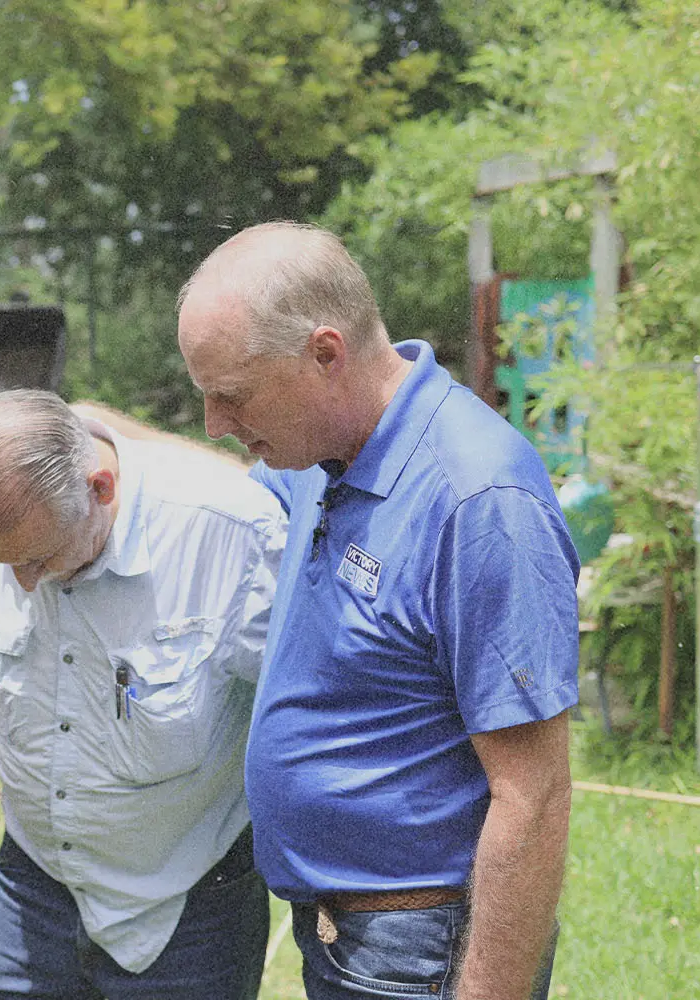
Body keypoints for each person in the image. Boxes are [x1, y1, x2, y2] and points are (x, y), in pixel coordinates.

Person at [176, 221, 579, 1000]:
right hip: (349, 937)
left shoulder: (476, 500)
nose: (217, 425)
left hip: (424, 949)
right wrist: (94, 437)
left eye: (231, 396)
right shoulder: (329, 455)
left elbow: (534, 797)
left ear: (325, 354)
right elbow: (212, 487)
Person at [0, 389, 285, 1000]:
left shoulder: (230, 533)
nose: (21, 581)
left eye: (40, 557)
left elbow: (305, 713)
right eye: (4, 561)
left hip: (189, 903)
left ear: (102, 489)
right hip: (32, 886)